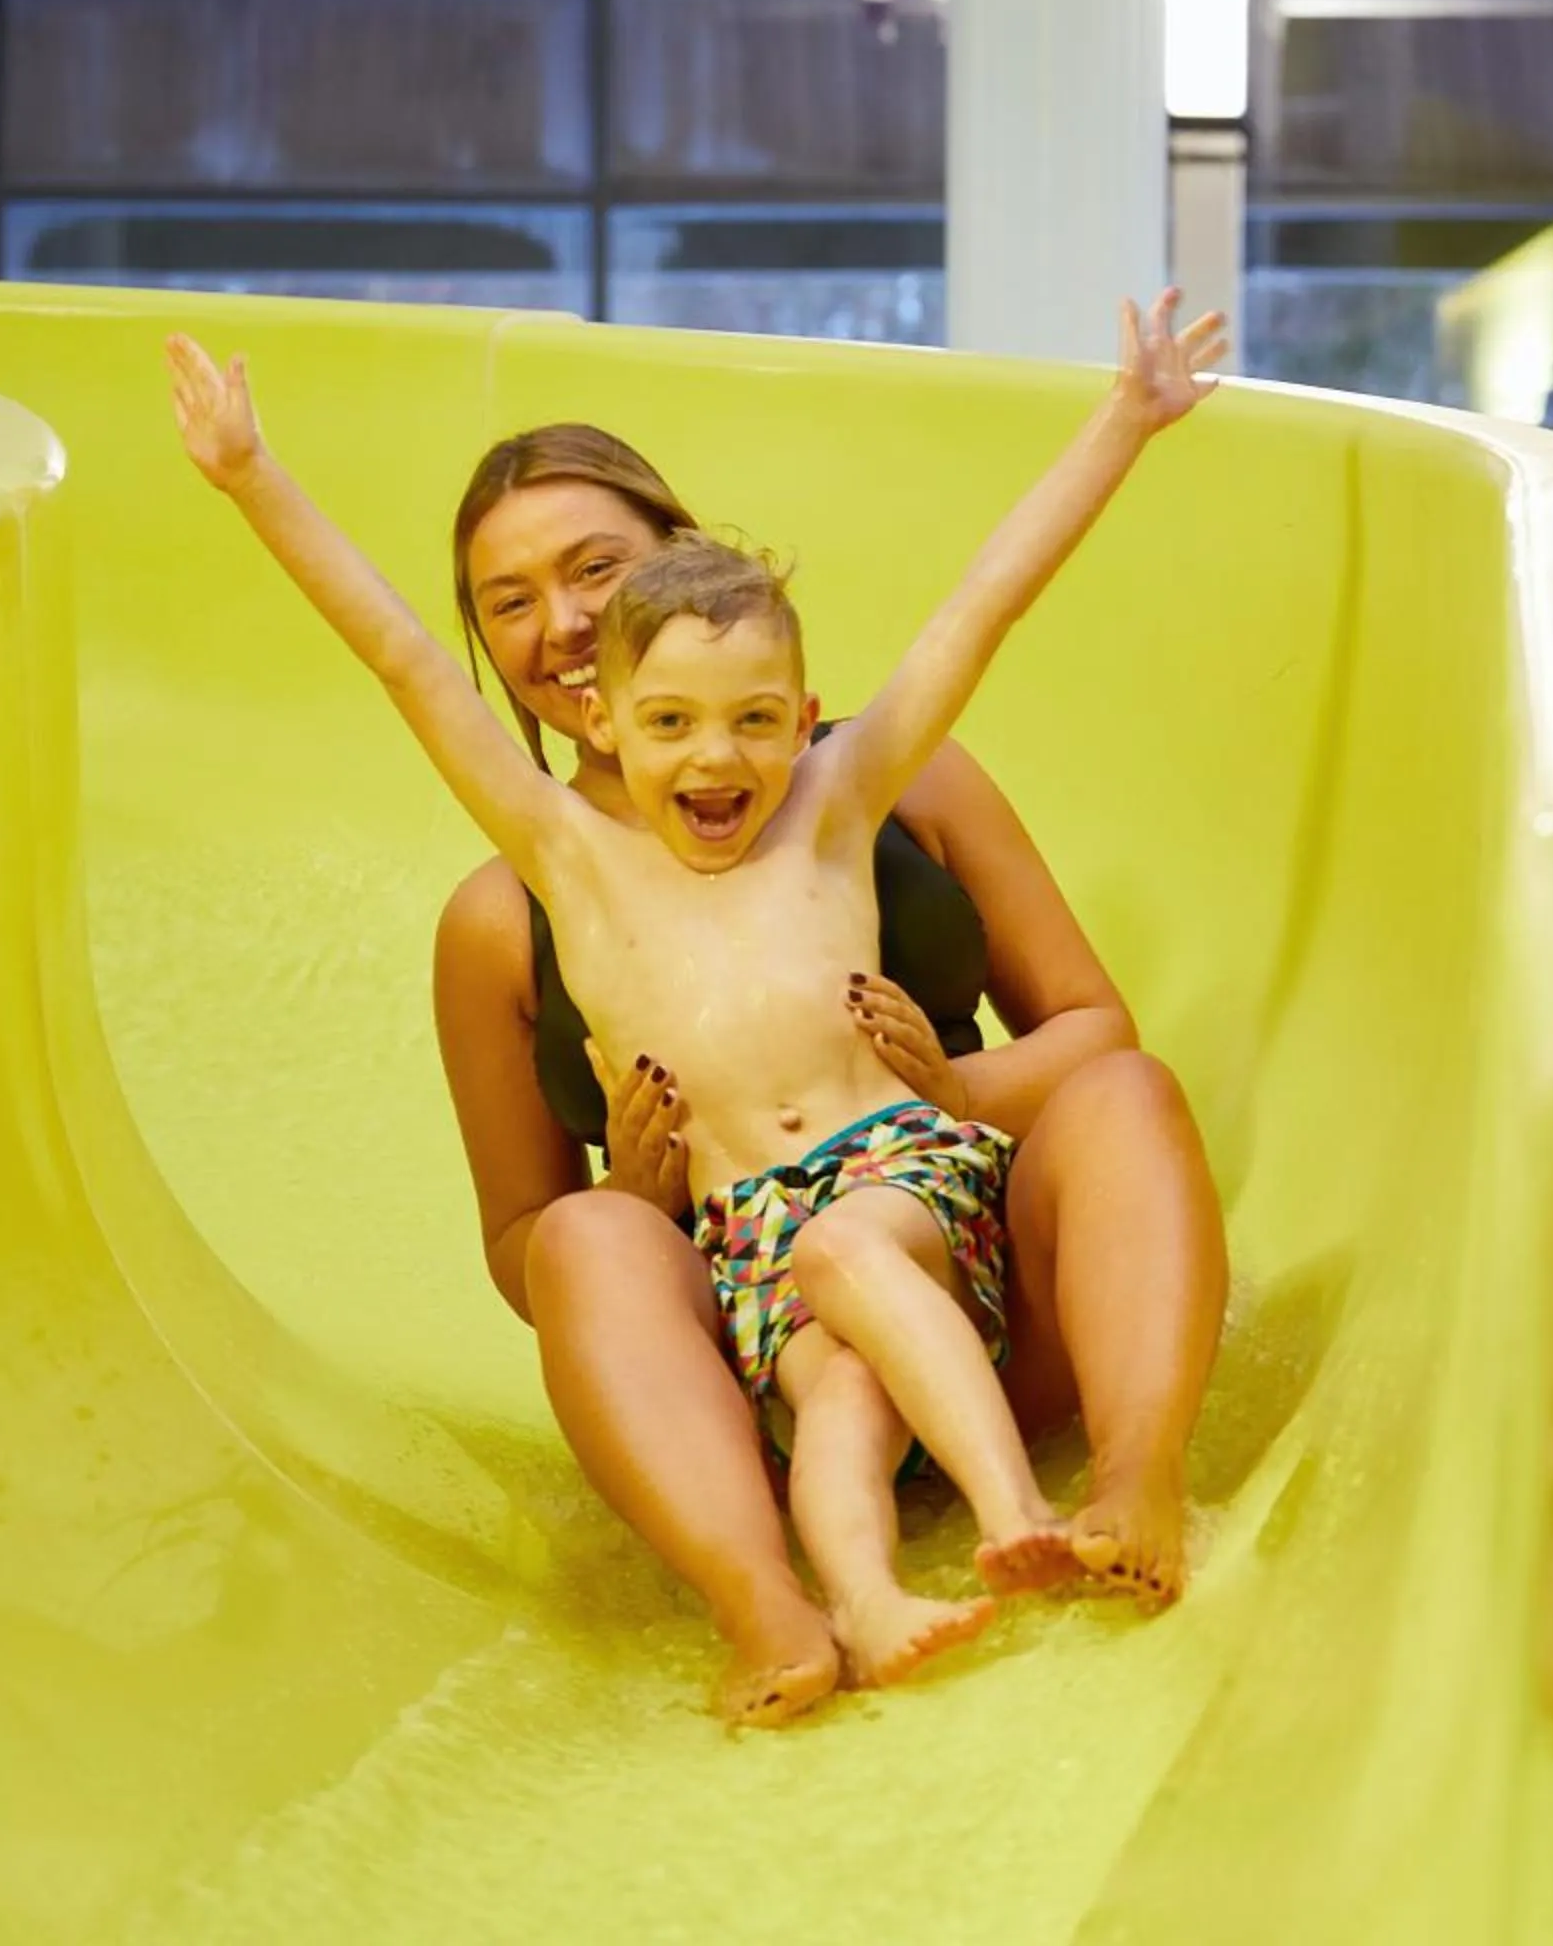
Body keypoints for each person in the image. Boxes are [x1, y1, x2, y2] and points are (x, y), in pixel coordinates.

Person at [171, 295, 1230, 1726]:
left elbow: (985, 603)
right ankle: (784, 1611)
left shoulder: (851, 795)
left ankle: (1126, 1484)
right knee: (624, 1247)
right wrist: (248, 480)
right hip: (746, 1307)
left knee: (1118, 1098)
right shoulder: (544, 876)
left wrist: (1129, 420)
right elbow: (400, 661)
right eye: (510, 600)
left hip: (947, 1229)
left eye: (596, 567)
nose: (561, 621)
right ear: (600, 720)